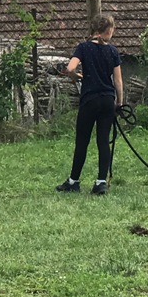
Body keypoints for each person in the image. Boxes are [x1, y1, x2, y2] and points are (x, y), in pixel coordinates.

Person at [56, 13, 124, 195]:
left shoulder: (84, 48)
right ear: (108, 30)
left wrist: (77, 76)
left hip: (90, 100)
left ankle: (73, 181)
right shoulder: (113, 52)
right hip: (107, 100)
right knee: (103, 140)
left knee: (82, 141)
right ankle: (101, 182)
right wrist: (119, 102)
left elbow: (70, 68)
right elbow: (118, 81)